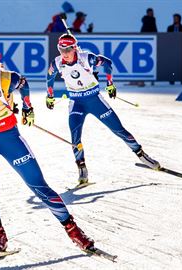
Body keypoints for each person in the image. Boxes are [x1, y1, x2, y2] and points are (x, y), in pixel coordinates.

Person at [0, 43, 95, 253]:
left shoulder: (7, 79)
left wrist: (27, 106)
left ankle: (74, 231)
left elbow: (23, 84)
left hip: (9, 139)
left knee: (38, 186)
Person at [45, 34, 160, 185]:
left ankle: (141, 154)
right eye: (61, 49)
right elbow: (49, 77)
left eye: (67, 49)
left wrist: (110, 83)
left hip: (94, 100)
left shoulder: (87, 58)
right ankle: (81, 168)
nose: (64, 53)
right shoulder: (57, 62)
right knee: (75, 137)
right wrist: (50, 95)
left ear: (74, 48)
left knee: (118, 129)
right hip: (76, 102)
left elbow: (108, 63)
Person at [167, 14, 182, 85]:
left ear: (179, 19)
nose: (175, 19)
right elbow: (167, 37)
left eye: (176, 18)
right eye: (174, 18)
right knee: (173, 65)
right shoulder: (169, 28)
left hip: (181, 47)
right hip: (172, 48)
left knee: (181, 65)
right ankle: (172, 79)